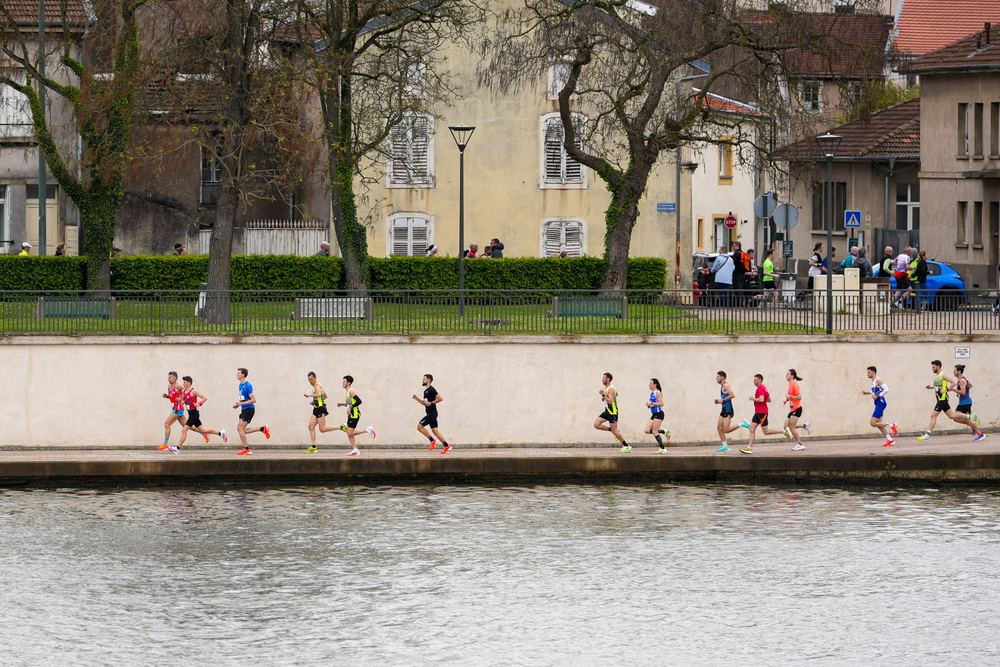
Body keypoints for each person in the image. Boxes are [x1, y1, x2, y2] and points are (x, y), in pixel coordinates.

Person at [916, 360, 985, 442]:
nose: (932, 369)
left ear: (938, 366)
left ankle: (927, 435)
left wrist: (947, 390)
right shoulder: (936, 376)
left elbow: (953, 383)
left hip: (943, 399)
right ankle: (971, 418)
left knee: (933, 416)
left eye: (933, 367)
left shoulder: (944, 375)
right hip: (940, 398)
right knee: (952, 416)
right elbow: (937, 386)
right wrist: (930, 387)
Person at [174, 376, 227, 452]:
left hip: (194, 414)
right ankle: (220, 433)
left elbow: (204, 397)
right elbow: (185, 399)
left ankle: (177, 448)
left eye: (185, 382)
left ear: (189, 383)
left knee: (184, 430)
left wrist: (199, 403)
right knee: (203, 430)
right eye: (183, 382)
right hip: (191, 413)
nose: (183, 384)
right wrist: (182, 401)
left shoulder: (193, 391)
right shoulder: (183, 391)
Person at [737, 374, 785, 454]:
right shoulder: (764, 388)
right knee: (752, 429)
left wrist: (753, 399)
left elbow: (762, 399)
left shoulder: (760, 388)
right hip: (757, 412)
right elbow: (769, 399)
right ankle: (749, 448)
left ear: (759, 380)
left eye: (755, 380)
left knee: (766, 432)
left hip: (762, 413)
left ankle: (783, 432)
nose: (754, 381)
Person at [233, 367, 270, 455]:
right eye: (237, 373)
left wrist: (241, 404)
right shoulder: (240, 385)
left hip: (249, 409)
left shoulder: (247, 385)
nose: (237, 374)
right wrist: (238, 405)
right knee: (243, 430)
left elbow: (253, 400)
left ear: (243, 375)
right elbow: (243, 399)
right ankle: (262, 428)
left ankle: (246, 449)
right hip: (244, 409)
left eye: (238, 373)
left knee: (239, 428)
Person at [336, 375, 376, 456]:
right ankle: (355, 449)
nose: (342, 383)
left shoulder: (351, 391)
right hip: (351, 415)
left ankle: (368, 430)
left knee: (350, 433)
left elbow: (359, 401)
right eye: (343, 381)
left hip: (354, 414)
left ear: (349, 383)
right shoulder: (347, 392)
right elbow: (351, 402)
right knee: (349, 432)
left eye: (344, 381)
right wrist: (343, 404)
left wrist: (350, 407)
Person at [413, 374, 451, 453]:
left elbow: (440, 398)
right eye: (422, 379)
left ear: (429, 380)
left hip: (432, 413)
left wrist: (432, 402)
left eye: (424, 379)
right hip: (431, 413)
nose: (422, 381)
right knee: (435, 431)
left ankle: (432, 440)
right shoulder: (426, 391)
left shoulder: (431, 389)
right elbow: (425, 403)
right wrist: (417, 399)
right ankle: (446, 446)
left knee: (419, 427)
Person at [594, 372, 631, 452]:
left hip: (612, 412)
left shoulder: (610, 388)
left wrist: (604, 395)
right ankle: (614, 430)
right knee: (596, 424)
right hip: (607, 411)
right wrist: (605, 397)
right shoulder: (609, 388)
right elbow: (616, 394)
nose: (602, 379)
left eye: (604, 378)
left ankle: (626, 445)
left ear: (608, 379)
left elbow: (610, 401)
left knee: (615, 431)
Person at [303, 371, 338, 453]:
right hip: (316, 408)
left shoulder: (317, 385)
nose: (310, 381)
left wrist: (309, 395)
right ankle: (313, 446)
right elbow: (325, 396)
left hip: (321, 409)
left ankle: (340, 427)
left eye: (311, 379)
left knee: (322, 429)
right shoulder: (316, 386)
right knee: (310, 427)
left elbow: (319, 394)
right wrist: (315, 402)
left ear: (315, 378)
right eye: (309, 380)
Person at [862, 366, 897, 446]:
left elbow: (887, 389)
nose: (867, 374)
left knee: (873, 423)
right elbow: (875, 391)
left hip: (881, 403)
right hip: (878, 403)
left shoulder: (878, 380)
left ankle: (892, 425)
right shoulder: (874, 381)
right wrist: (868, 393)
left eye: (869, 372)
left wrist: (878, 396)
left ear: (873, 372)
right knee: (879, 424)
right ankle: (890, 440)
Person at [158, 371, 187, 450]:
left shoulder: (179, 386)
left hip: (178, 409)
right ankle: (203, 433)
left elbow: (187, 393)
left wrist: (181, 398)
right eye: (168, 377)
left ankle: (165, 444)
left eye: (170, 377)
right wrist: (167, 396)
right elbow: (172, 397)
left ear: (175, 378)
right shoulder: (169, 386)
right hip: (176, 409)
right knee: (188, 426)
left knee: (166, 424)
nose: (168, 379)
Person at [781, 369, 810, 451]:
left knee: (791, 427)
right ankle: (804, 426)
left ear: (792, 376)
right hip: (792, 409)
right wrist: (786, 400)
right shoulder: (790, 385)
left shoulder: (794, 385)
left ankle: (800, 444)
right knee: (785, 427)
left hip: (797, 409)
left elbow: (799, 397)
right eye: (786, 374)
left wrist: (790, 397)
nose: (786, 375)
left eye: (788, 374)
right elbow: (790, 396)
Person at [951, 364, 980, 429]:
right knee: (955, 418)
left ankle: (978, 431)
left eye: (955, 371)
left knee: (956, 416)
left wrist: (954, 390)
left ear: (959, 371)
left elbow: (963, 392)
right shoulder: (961, 380)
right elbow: (970, 386)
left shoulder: (962, 380)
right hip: (962, 402)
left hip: (966, 402)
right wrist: (960, 392)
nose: (953, 372)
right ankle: (974, 423)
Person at [644, 378, 669, 453]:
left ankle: (663, 448)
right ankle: (663, 431)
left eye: (651, 383)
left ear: (655, 384)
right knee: (647, 430)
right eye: (649, 383)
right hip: (654, 414)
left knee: (654, 431)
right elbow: (653, 405)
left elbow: (661, 403)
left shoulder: (657, 392)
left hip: (659, 414)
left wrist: (652, 403)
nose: (649, 385)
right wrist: (649, 405)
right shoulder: (652, 393)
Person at [714, 371, 736, 452]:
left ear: (722, 377)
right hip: (723, 409)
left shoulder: (725, 385)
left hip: (728, 410)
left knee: (725, 430)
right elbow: (724, 399)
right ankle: (725, 446)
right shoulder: (722, 386)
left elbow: (732, 395)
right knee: (719, 428)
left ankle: (742, 424)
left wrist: (722, 400)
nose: (716, 378)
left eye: (718, 377)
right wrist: (719, 401)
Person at [731, 241, 747, 306]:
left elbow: (732, 264)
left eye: (734, 246)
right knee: (741, 289)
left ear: (738, 246)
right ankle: (741, 304)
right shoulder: (744, 254)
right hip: (743, 274)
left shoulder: (736, 254)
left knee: (737, 289)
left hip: (737, 274)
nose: (733, 247)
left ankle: (738, 304)